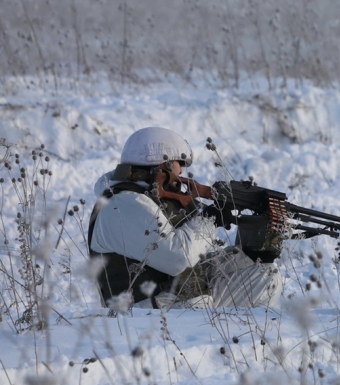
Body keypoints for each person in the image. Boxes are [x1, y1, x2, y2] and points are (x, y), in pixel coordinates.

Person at [88, 127, 283, 310]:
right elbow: (177, 258)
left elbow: (191, 264)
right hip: (143, 317)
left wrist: (248, 256)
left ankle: (247, 343)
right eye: (179, 163)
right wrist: (210, 218)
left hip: (174, 301)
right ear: (161, 164)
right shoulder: (122, 205)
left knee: (264, 274)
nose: (181, 171)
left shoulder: (149, 200)